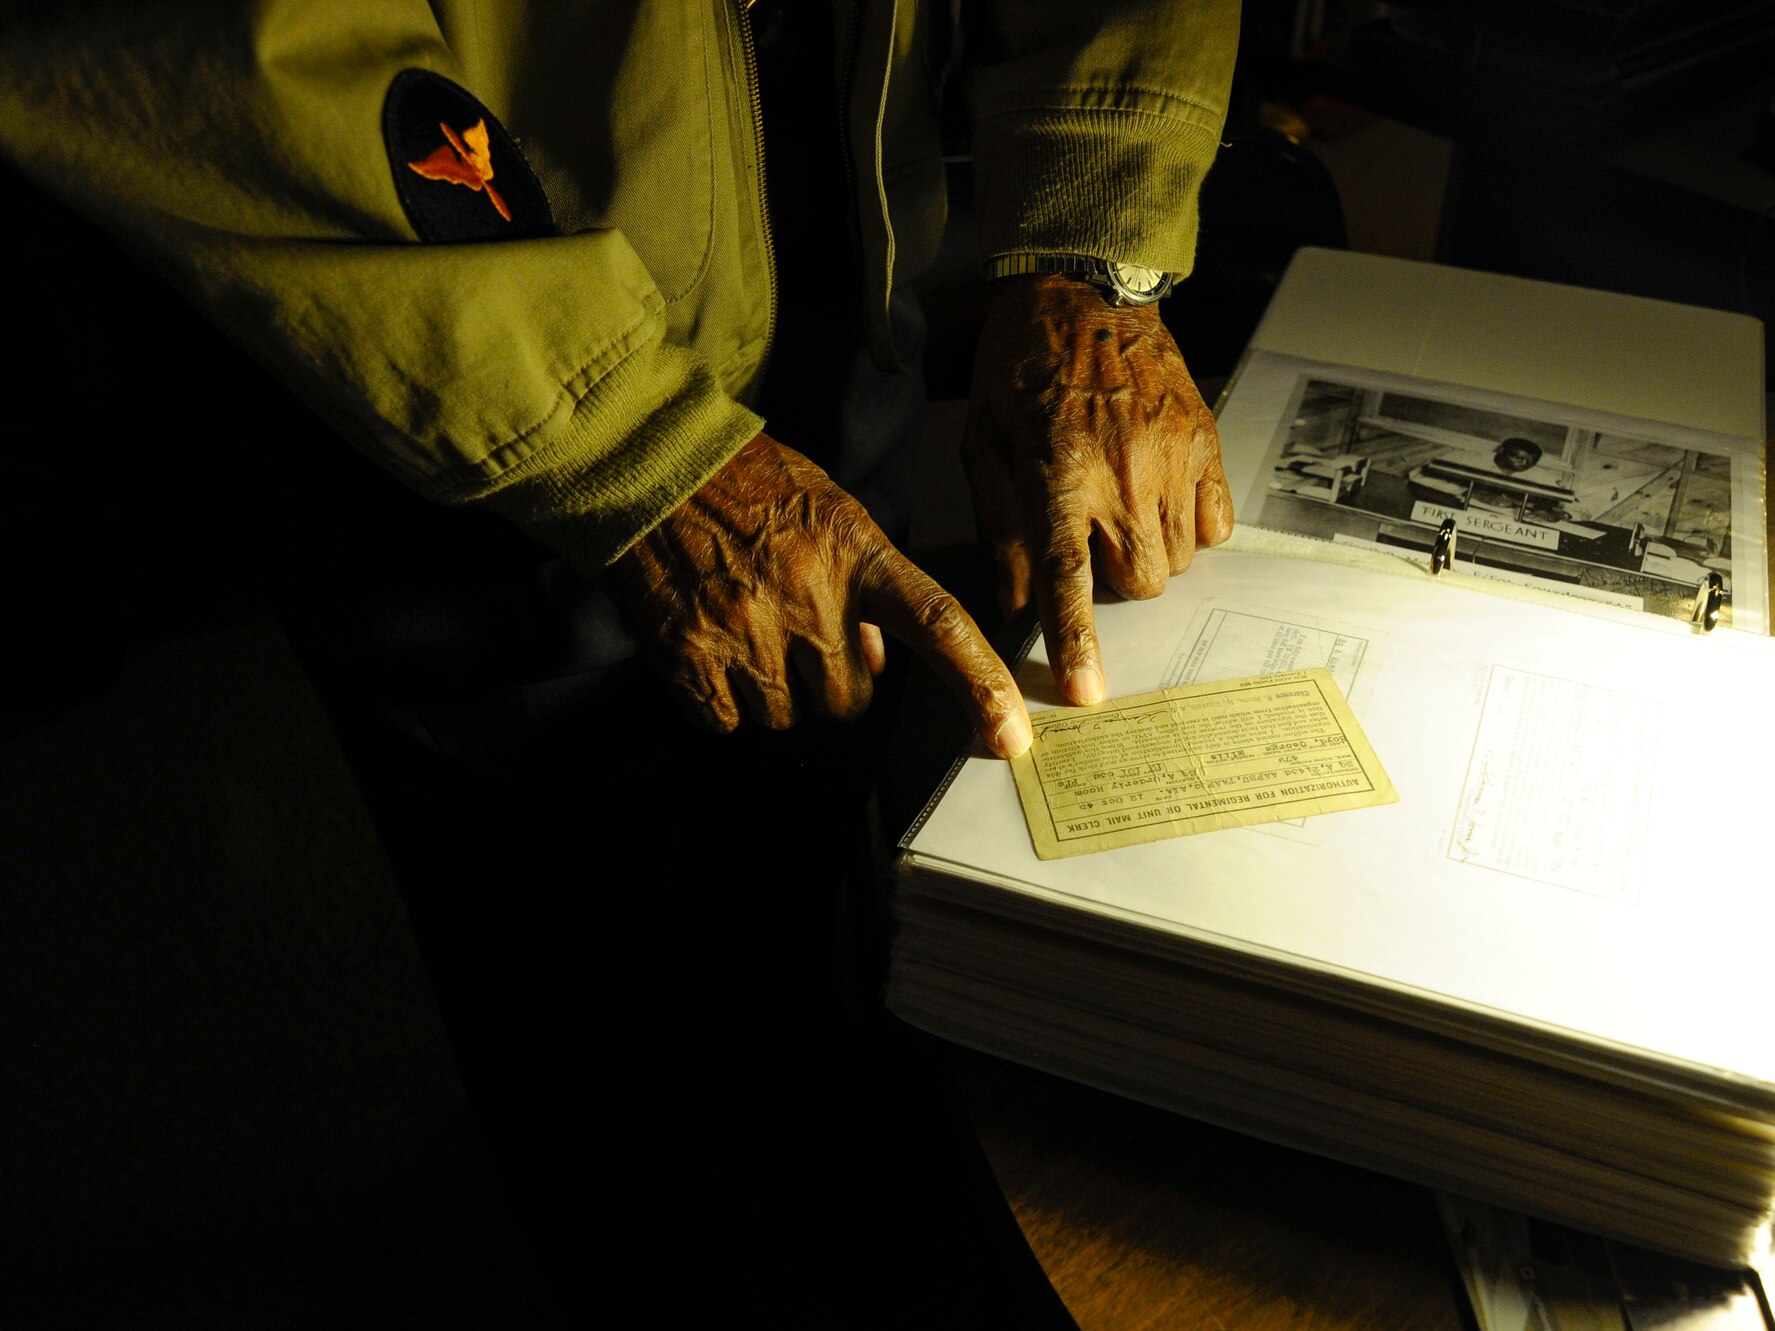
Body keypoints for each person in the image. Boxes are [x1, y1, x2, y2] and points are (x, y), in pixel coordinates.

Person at [4, 2, 1241, 1323]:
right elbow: (214, 51)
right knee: (618, 1035)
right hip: (463, 377)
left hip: (833, 218)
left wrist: (1089, 241)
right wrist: (616, 436)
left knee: (832, 929)